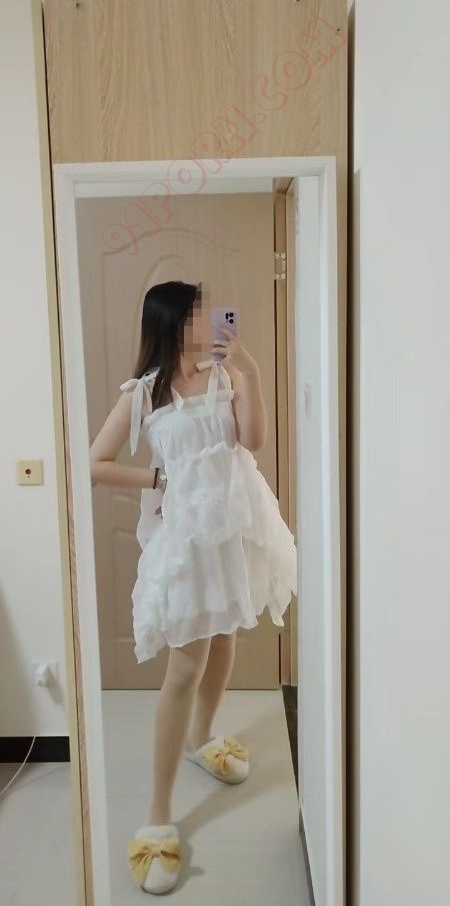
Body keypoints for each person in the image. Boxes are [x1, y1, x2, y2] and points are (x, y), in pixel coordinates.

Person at [89, 280, 297, 895]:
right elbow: (94, 464)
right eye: (198, 314)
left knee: (225, 637)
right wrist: (156, 478)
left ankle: (202, 738)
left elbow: (252, 442)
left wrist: (250, 370)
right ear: (174, 324)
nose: (210, 321)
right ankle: (157, 815)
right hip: (185, 540)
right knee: (185, 665)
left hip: (234, 528)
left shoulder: (225, 374)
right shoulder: (143, 393)